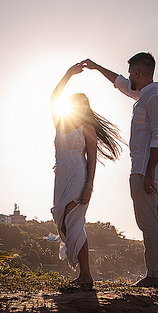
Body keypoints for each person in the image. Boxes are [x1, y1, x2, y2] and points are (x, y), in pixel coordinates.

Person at [83, 53, 158, 287]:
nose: (128, 77)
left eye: (130, 73)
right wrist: (96, 68)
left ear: (137, 72)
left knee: (147, 222)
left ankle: (154, 275)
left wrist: (149, 172)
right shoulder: (145, 95)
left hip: (146, 168)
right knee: (151, 218)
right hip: (143, 166)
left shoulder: (155, 97)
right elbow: (120, 84)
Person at [50, 62, 122, 288]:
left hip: (78, 175)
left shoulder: (88, 130)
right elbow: (54, 97)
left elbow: (92, 160)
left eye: (83, 105)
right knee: (60, 222)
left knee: (75, 221)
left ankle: (86, 275)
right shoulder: (60, 124)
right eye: (76, 104)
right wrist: (68, 73)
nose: (79, 108)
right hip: (60, 175)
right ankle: (83, 273)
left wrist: (89, 186)